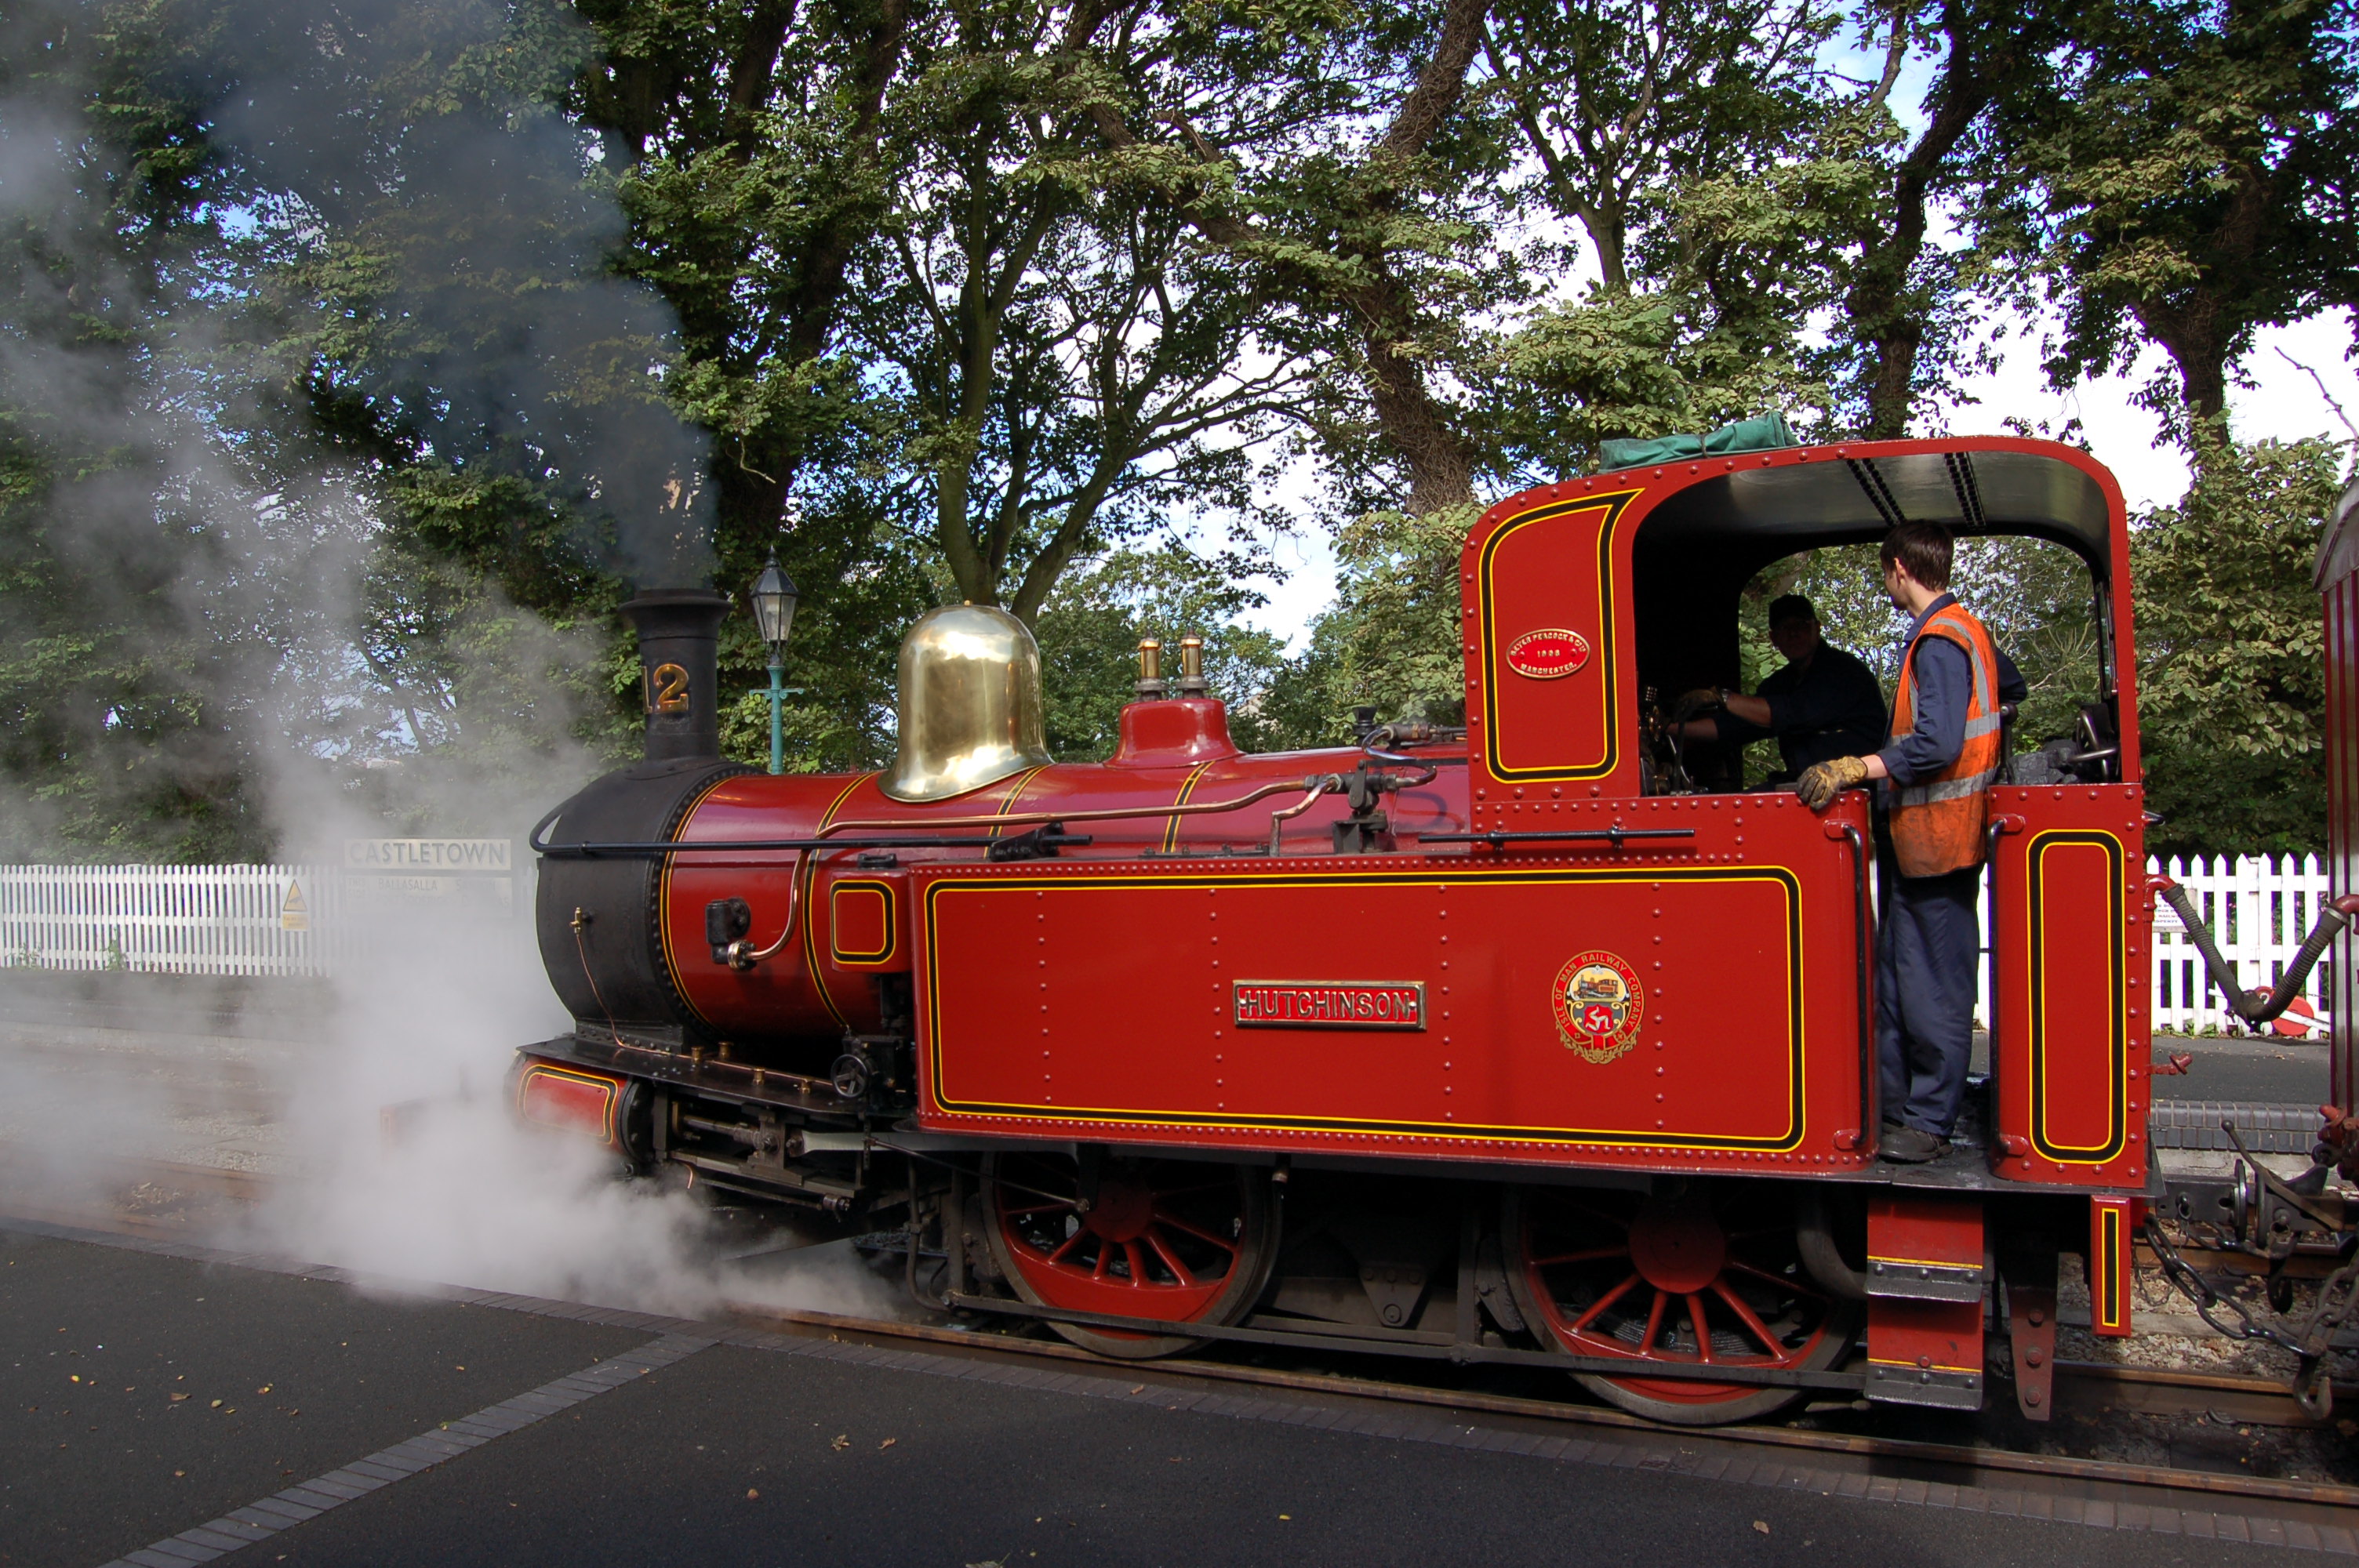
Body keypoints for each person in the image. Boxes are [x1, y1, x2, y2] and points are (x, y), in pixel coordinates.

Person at [1794, 522, 2001, 1165]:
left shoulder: (1940, 640)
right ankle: (1894, 1103)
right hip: (1924, 843)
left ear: (1898, 569)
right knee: (1898, 978)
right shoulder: (1963, 629)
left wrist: (1858, 766)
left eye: (1885, 573)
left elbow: (1937, 744)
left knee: (1931, 985)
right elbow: (2006, 698)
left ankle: (1930, 1119)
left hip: (1939, 840)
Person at [1672, 594, 1886, 780]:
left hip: (1856, 786)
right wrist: (1670, 728)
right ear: (1774, 639)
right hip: (1805, 782)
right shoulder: (1779, 684)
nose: (1794, 634)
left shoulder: (1843, 672)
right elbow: (1737, 726)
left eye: (1802, 625)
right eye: (1785, 628)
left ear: (1817, 628)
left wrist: (1721, 697)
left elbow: (1793, 712)